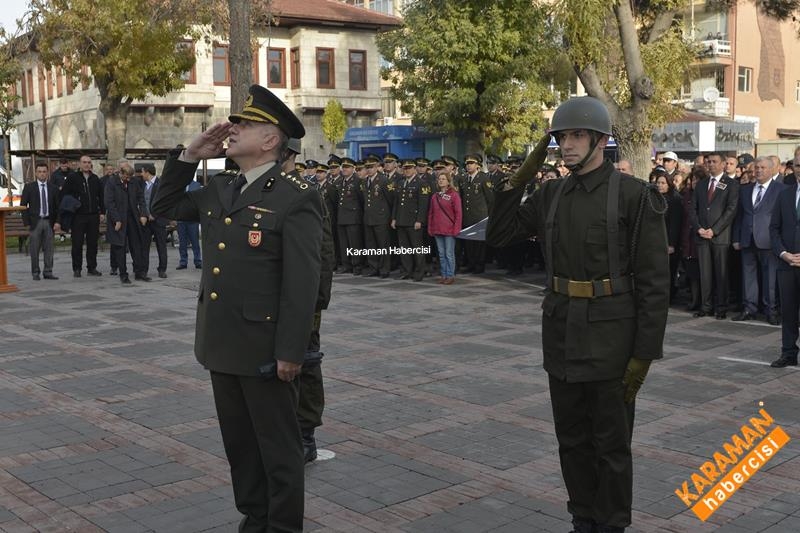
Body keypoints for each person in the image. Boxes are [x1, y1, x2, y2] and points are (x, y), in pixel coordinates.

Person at [486, 96, 669, 533]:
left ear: (600, 141)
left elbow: (653, 283)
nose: (566, 145)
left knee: (611, 445)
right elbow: (499, 234)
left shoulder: (633, 195)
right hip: (563, 335)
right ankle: (583, 519)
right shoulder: (550, 193)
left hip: (611, 340)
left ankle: (611, 524)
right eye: (561, 136)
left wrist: (644, 354)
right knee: (571, 440)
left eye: (576, 135)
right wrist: (520, 177)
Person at [151, 84, 321, 532]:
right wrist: (190, 154)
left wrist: (291, 351)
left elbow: (301, 282)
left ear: (270, 140)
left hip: (265, 348)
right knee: (241, 447)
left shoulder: (294, 196)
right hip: (221, 343)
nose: (233, 128)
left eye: (245, 124)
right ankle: (255, 517)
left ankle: (282, 526)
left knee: (279, 451)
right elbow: (162, 205)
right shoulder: (219, 187)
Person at [732, 156, 785, 324]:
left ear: (771, 170)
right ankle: (749, 308)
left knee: (770, 278)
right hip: (747, 240)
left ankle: (771, 310)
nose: (759, 170)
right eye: (756, 168)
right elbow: (739, 216)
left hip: (769, 241)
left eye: (762, 167)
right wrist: (736, 237)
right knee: (748, 276)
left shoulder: (781, 189)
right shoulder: (746, 189)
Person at [690, 152, 739, 319]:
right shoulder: (702, 184)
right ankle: (706, 306)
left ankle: (721, 308)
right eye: (708, 162)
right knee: (705, 274)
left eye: (714, 162)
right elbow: (693, 209)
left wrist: (715, 230)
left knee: (721, 273)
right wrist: (699, 228)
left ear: (723, 164)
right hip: (702, 236)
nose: (710, 164)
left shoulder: (731, 184)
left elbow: (731, 210)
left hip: (720, 237)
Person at [61, 155, 105, 277]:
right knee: (77, 243)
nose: (87, 164)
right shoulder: (72, 178)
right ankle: (77, 268)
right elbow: (64, 195)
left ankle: (92, 267)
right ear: (80, 164)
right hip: (78, 216)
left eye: (89, 162)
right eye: (84, 162)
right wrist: (73, 205)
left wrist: (102, 212)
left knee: (92, 243)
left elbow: (101, 197)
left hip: (93, 216)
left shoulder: (95, 179)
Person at [104, 163, 148, 284]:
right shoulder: (112, 182)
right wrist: (116, 219)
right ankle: (123, 274)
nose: (129, 179)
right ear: (121, 173)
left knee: (136, 246)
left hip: (133, 218)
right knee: (120, 247)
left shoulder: (134, 182)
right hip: (119, 219)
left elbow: (141, 198)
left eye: (130, 177)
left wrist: (143, 214)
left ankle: (139, 272)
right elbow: (109, 202)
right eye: (127, 177)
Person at [21, 162, 61, 280]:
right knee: (34, 249)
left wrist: (58, 222)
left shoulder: (53, 188)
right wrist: (27, 223)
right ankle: (35, 272)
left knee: (49, 249)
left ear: (47, 173)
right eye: (40, 172)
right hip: (35, 222)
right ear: (36, 173)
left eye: (44, 171)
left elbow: (58, 207)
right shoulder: (29, 187)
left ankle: (48, 271)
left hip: (49, 222)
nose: (42, 174)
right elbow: (23, 206)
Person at [392, 159, 431, 281]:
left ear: (414, 169)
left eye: (409, 168)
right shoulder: (401, 182)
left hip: (414, 221)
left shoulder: (421, 183)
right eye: (405, 168)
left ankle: (419, 272)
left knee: (417, 248)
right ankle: (407, 270)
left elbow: (423, 205)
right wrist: (394, 218)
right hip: (401, 220)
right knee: (405, 248)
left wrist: (419, 220)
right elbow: (396, 203)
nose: (407, 170)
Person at [653, 168, 683, 303]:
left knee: (669, 271)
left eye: (663, 183)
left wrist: (671, 244)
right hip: (657, 240)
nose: (659, 185)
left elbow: (676, 223)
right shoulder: (654, 198)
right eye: (658, 183)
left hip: (669, 241)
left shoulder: (675, 199)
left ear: (669, 184)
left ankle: (669, 296)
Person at [428, 170, 462, 284]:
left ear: (448, 182)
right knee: (441, 255)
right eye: (439, 179)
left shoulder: (454, 195)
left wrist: (456, 228)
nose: (441, 181)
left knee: (449, 254)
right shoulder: (435, 196)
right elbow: (431, 213)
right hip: (437, 229)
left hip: (449, 230)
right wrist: (430, 227)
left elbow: (458, 213)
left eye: (443, 179)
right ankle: (443, 275)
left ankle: (450, 275)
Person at [139, 163, 169, 278]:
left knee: (161, 246)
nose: (141, 174)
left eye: (142, 172)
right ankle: (143, 270)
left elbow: (164, 202)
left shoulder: (161, 184)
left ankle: (162, 269)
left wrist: (154, 215)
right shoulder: (141, 184)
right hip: (145, 221)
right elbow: (140, 201)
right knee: (144, 246)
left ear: (147, 172)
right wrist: (144, 214)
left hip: (159, 220)